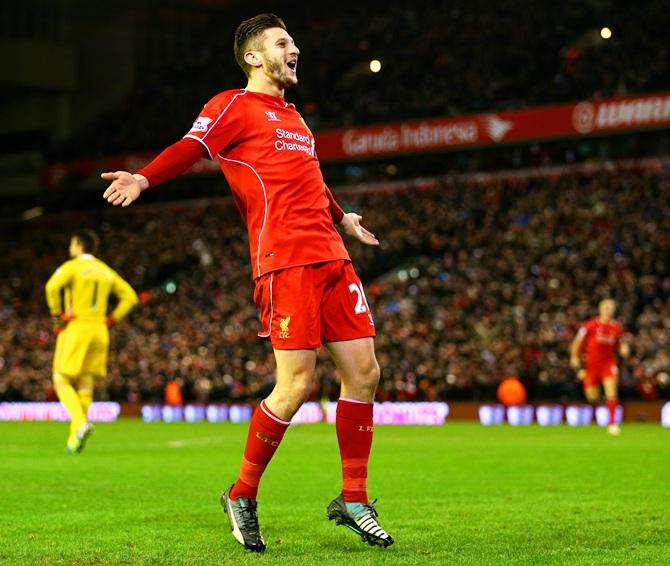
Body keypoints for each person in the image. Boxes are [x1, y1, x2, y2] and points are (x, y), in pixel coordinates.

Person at [101, 13, 394, 553]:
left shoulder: (295, 119)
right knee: (297, 385)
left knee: (365, 373)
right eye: (284, 42)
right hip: (285, 262)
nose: (295, 48)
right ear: (255, 57)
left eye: (294, 40)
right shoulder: (232, 106)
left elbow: (312, 181)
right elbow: (191, 147)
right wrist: (145, 176)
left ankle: (354, 497)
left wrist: (343, 218)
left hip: (332, 258)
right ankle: (242, 493)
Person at [45, 229, 139, 453]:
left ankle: (80, 423)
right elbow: (131, 297)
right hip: (100, 329)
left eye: (71, 244)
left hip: (77, 326)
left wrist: (57, 317)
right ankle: (73, 439)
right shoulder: (105, 270)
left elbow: (51, 287)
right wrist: (112, 319)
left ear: (78, 245)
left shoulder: (73, 266)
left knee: (61, 378)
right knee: (86, 382)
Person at [570, 298, 629, 435]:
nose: (608, 310)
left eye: (611, 307)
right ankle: (604, 402)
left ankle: (613, 424)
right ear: (600, 309)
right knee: (592, 397)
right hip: (591, 366)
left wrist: (624, 349)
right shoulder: (590, 326)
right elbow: (577, 342)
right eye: (606, 307)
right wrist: (574, 356)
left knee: (612, 392)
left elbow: (621, 344)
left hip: (608, 364)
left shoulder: (616, 328)